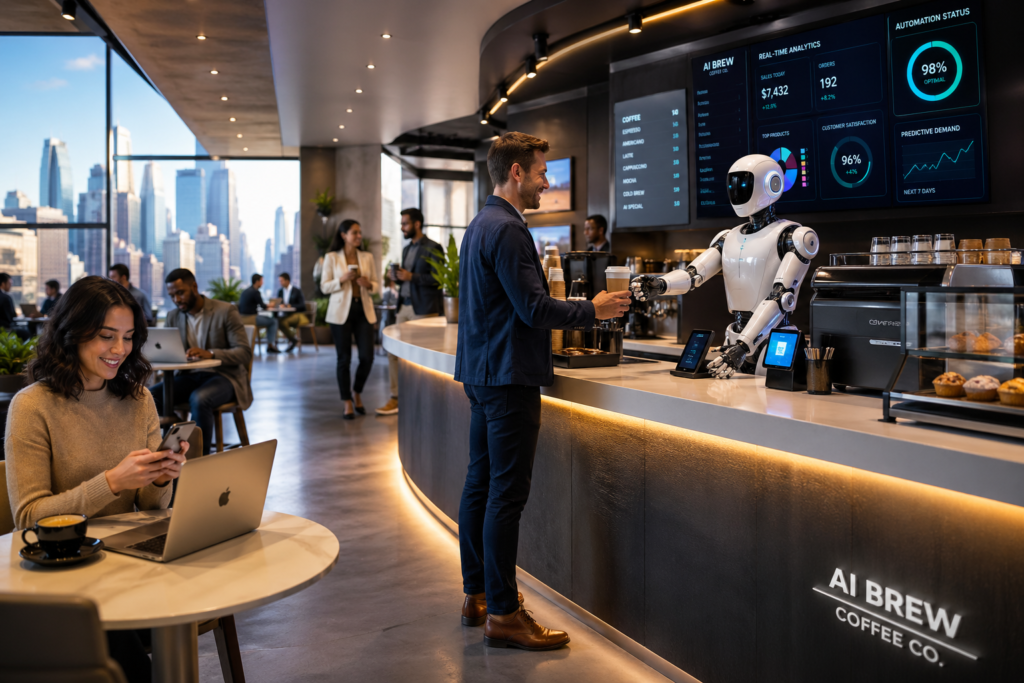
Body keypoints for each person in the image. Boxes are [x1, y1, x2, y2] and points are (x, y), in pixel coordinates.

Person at [454, 132, 631, 650]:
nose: (545, 182)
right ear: (515, 173)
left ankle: (478, 594)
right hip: (509, 377)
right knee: (505, 497)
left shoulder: (480, 224)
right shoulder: (508, 229)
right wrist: (592, 309)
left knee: (480, 487)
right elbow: (534, 309)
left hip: (484, 374)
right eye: (539, 173)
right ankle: (506, 613)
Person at [5, 276, 189, 683]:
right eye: (107, 336)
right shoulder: (31, 406)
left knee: (197, 594)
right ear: (73, 332)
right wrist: (111, 482)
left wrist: (161, 478)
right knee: (122, 648)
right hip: (65, 575)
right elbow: (29, 517)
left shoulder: (138, 398)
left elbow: (151, 507)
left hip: (125, 563)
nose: (120, 350)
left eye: (127, 337)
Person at [151, 268, 253, 455]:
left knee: (200, 399)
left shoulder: (225, 311)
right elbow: (167, 350)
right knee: (150, 397)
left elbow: (244, 353)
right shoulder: (173, 316)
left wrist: (211, 353)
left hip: (224, 377)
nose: (176, 299)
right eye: (172, 295)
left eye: (180, 293)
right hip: (189, 376)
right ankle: (171, 448)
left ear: (195, 287)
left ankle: (199, 459)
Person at [378, 208, 443, 415]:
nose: (402, 227)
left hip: (423, 308)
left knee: (422, 358)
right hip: (404, 306)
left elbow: (438, 279)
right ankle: (396, 397)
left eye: (405, 223)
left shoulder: (434, 247)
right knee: (393, 352)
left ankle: (425, 401)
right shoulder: (406, 250)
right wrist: (396, 277)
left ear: (416, 224)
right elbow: (406, 277)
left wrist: (411, 277)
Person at [321, 220, 379, 419]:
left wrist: (368, 284)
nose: (359, 236)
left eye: (360, 233)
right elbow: (324, 286)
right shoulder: (331, 258)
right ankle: (347, 400)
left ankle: (357, 391)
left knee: (367, 358)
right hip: (340, 314)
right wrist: (341, 279)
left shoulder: (367, 257)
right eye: (354, 233)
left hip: (363, 311)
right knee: (343, 359)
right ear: (343, 235)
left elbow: (377, 285)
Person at [238, 273, 281, 354]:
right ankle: (270, 346)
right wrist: (270, 305)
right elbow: (263, 306)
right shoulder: (255, 292)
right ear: (257, 282)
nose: (262, 283)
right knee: (273, 321)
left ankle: (270, 345)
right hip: (251, 319)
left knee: (269, 319)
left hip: (242, 319)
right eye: (262, 281)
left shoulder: (246, 291)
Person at [275, 272, 309, 353]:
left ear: (287, 281)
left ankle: (293, 340)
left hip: (297, 314)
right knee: (276, 321)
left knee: (282, 322)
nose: (280, 283)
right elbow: (279, 304)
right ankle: (292, 340)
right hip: (285, 315)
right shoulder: (280, 291)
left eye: (281, 281)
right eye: (279, 281)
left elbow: (302, 305)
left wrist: (290, 305)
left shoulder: (296, 291)